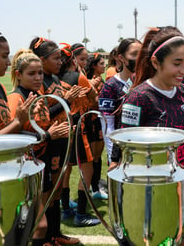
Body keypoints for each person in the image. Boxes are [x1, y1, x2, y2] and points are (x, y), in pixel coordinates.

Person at [120, 26, 184, 246]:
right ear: (156, 63)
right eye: (177, 63)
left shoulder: (183, 90)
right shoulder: (139, 97)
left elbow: (181, 139)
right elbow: (121, 153)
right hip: (150, 193)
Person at [8, 49, 71, 246]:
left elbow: (43, 122)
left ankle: (53, 237)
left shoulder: (38, 94)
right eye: (32, 74)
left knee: (52, 200)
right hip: (27, 165)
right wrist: (47, 135)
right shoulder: (16, 99)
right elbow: (12, 136)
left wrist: (58, 130)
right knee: (36, 220)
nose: (38, 78)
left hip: (44, 158)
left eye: (40, 73)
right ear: (18, 75)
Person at [30, 37, 82, 245]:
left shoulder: (53, 78)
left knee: (58, 189)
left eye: (61, 58)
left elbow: (61, 109)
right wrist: (67, 101)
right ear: (41, 60)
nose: (60, 62)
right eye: (55, 58)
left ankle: (56, 234)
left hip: (62, 138)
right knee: (48, 194)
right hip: (48, 143)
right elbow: (43, 116)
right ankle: (47, 238)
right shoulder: (39, 82)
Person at [56, 43, 101, 227]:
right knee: (87, 169)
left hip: (60, 127)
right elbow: (94, 99)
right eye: (80, 59)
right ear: (72, 60)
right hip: (79, 127)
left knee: (65, 169)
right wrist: (92, 86)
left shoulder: (52, 78)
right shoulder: (78, 76)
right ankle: (81, 213)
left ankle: (66, 208)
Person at [99, 38, 141, 164]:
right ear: (121, 58)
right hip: (122, 150)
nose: (138, 59)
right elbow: (108, 125)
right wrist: (113, 157)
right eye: (134, 54)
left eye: (141, 54)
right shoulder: (110, 86)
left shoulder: (147, 83)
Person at [85, 52, 108, 200]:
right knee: (93, 157)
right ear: (94, 65)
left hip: (100, 120)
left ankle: (96, 186)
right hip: (91, 120)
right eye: (101, 63)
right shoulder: (89, 81)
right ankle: (93, 188)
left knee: (98, 156)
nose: (104, 65)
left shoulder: (101, 80)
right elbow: (92, 101)